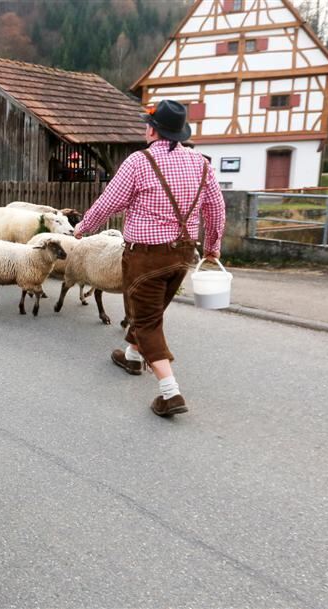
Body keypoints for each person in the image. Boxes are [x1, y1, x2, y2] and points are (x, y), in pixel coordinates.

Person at [74, 99, 225, 417]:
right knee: (151, 312)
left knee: (147, 320)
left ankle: (170, 393)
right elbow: (216, 209)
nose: (145, 127)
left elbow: (108, 202)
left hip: (146, 256)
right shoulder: (202, 164)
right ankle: (131, 355)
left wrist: (84, 227)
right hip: (183, 252)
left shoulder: (138, 162)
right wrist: (212, 247)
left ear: (154, 130)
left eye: (147, 123)